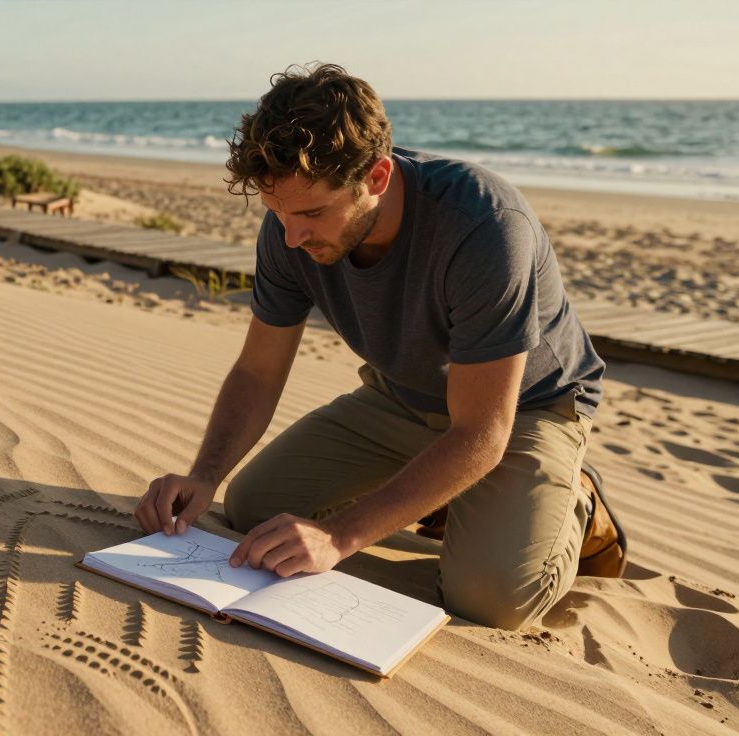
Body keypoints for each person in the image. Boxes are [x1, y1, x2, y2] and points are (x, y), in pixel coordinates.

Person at [133, 63, 626, 630]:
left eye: (312, 213)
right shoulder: (289, 228)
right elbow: (258, 372)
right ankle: (443, 493)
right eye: (278, 213)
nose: (291, 236)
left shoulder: (484, 226)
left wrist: (341, 536)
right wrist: (203, 477)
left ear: (378, 176)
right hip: (401, 396)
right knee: (253, 508)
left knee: (492, 599)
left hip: (525, 410)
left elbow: (483, 431)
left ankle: (577, 503)